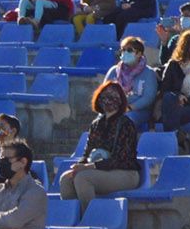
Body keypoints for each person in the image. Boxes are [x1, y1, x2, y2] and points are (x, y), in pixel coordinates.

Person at [58, 81, 142, 210]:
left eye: (113, 96)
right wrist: (80, 165)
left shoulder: (126, 124)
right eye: (105, 96)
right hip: (101, 170)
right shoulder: (96, 124)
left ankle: (91, 219)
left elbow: (121, 159)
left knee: (83, 178)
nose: (108, 100)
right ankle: (73, 219)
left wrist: (90, 166)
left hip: (126, 173)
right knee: (66, 179)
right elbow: (87, 153)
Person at [105, 37, 159, 129]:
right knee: (100, 121)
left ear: (139, 53)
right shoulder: (114, 71)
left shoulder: (148, 73)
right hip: (115, 109)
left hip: (139, 111)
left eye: (129, 50)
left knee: (125, 120)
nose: (125, 53)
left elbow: (148, 97)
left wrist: (129, 108)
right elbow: (104, 93)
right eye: (123, 50)